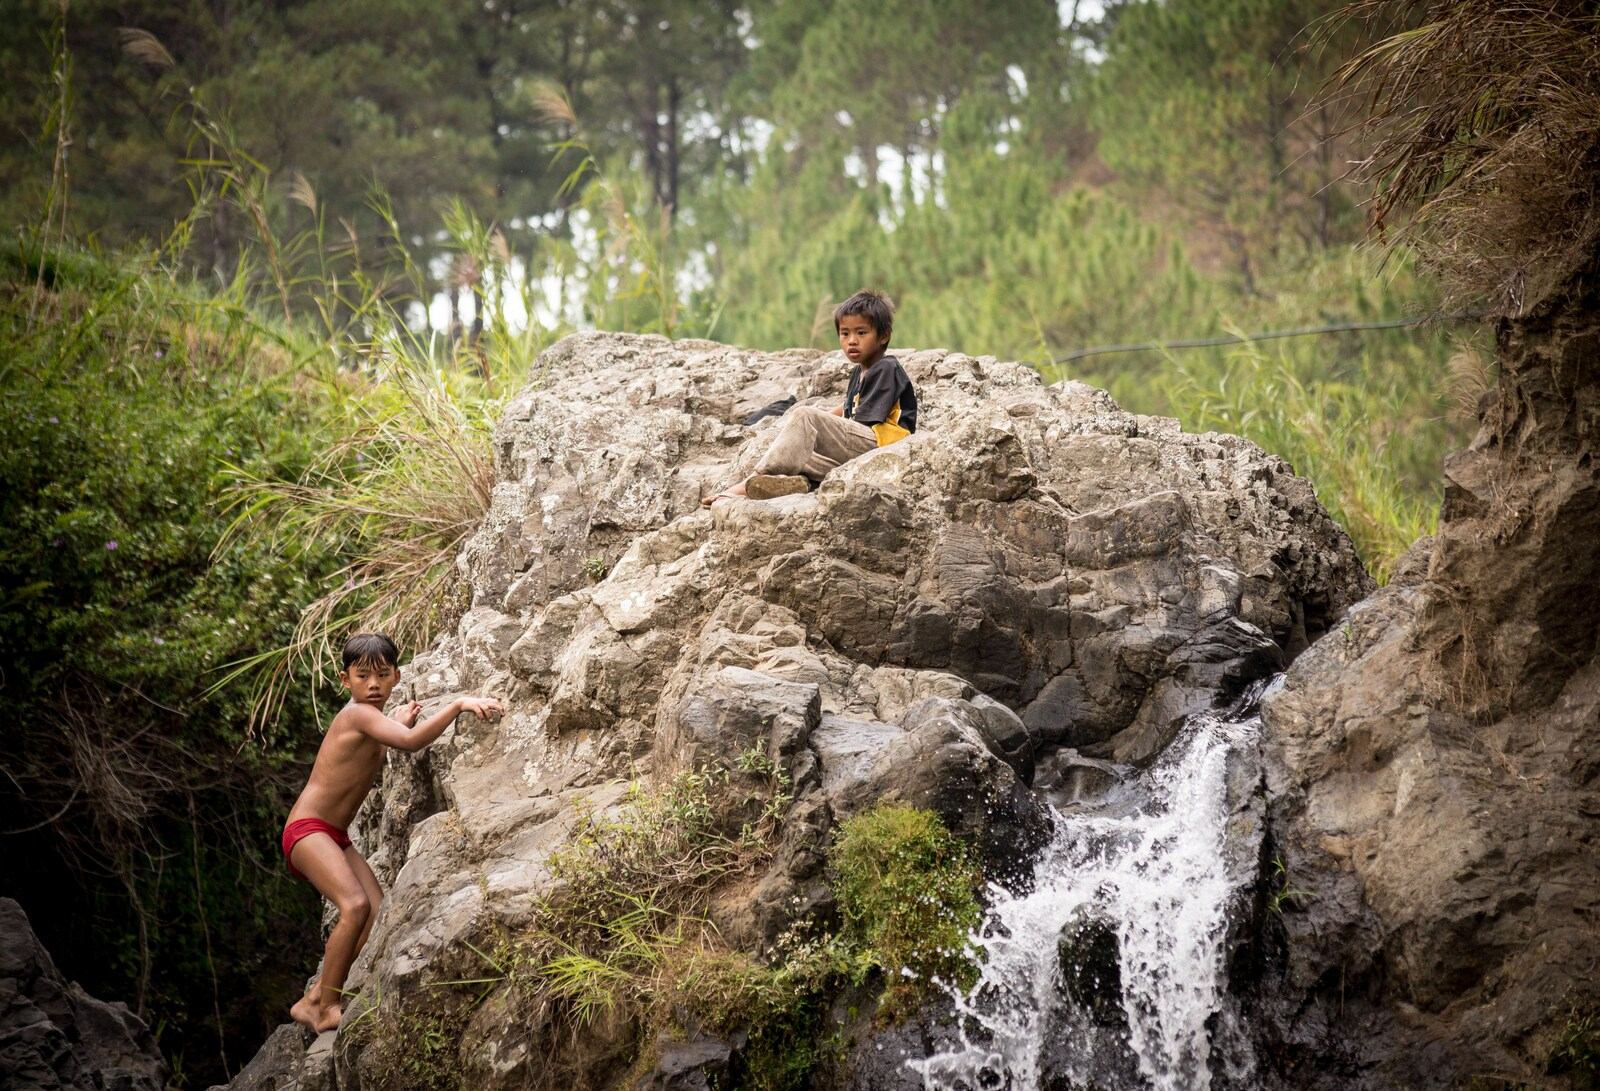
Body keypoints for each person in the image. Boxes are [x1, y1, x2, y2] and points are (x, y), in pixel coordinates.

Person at [281, 632, 501, 1032]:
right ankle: (326, 1006)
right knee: (355, 906)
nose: (373, 684)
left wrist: (394, 723)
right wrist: (458, 704)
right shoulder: (357, 713)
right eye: (362, 676)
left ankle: (315, 995)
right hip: (308, 830)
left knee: (377, 911)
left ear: (397, 677)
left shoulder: (370, 720)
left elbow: (377, 745)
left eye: (382, 675)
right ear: (344, 680)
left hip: (333, 835)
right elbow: (411, 742)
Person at [705, 289, 918, 504]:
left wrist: (814, 421)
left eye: (861, 333)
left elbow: (861, 422)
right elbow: (847, 409)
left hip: (884, 445)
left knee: (805, 416)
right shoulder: (859, 372)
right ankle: (794, 484)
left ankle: (750, 481)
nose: (852, 341)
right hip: (863, 447)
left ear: (884, 336)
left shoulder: (886, 368)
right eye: (845, 334)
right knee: (801, 452)